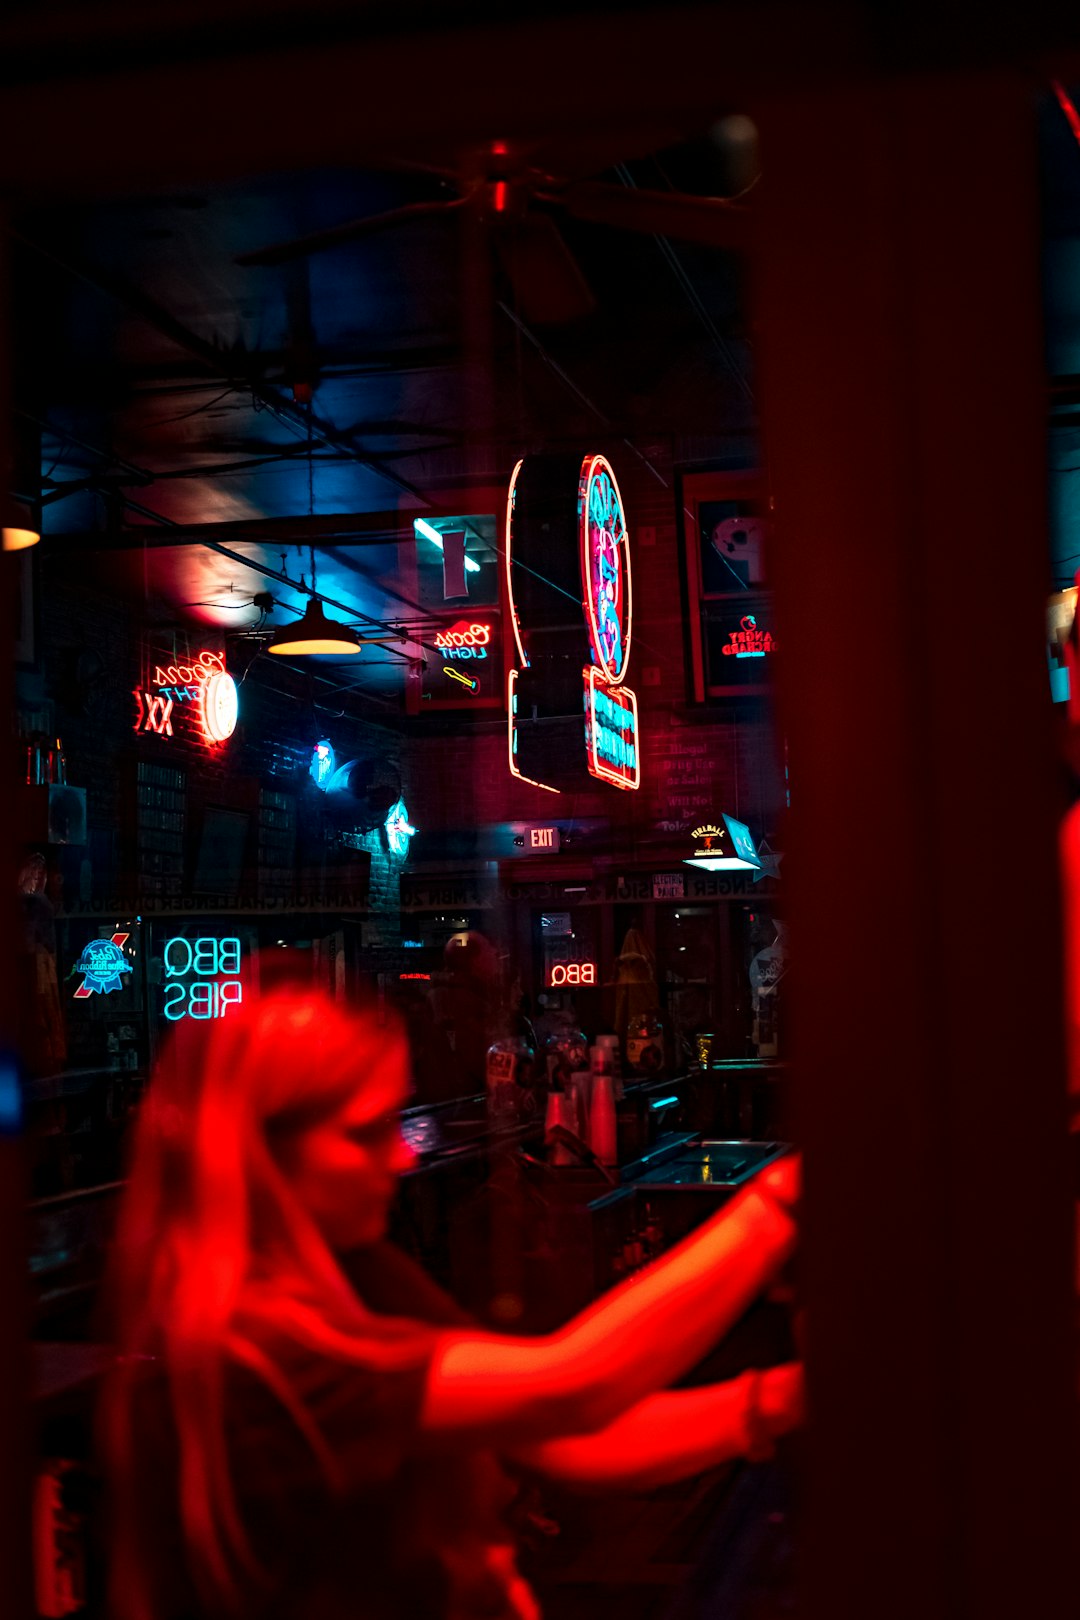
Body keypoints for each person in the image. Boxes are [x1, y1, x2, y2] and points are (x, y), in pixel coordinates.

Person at [101, 988, 803, 1620]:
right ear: (263, 1154)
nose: (404, 1157)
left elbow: (569, 1437)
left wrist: (783, 1398)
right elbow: (574, 1384)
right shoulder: (255, 1356)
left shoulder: (364, 1277)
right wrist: (779, 1206)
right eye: (368, 1131)